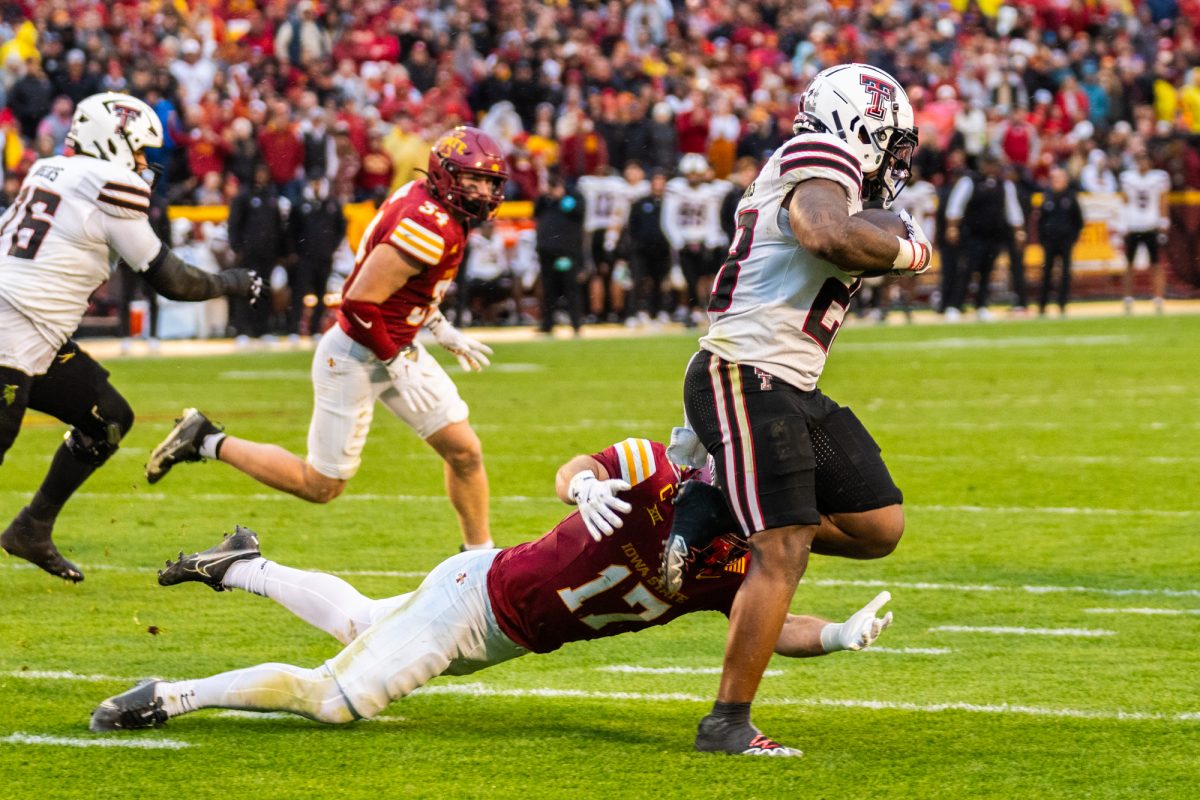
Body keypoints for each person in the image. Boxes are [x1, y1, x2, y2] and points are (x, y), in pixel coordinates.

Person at [90, 437, 894, 746]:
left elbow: (767, 624)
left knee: (365, 623)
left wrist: (834, 636)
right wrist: (580, 487)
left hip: (502, 636)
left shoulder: (733, 563)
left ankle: (241, 564)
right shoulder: (656, 471)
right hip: (477, 598)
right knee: (338, 700)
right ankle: (169, 694)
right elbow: (579, 463)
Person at [664, 64, 929, 756]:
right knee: (783, 546)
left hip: (789, 382)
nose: (896, 159)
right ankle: (726, 722)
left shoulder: (829, 170)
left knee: (878, 525)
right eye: (891, 142)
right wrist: (909, 250)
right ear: (859, 125)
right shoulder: (821, 159)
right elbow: (826, 236)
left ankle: (723, 510)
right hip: (743, 373)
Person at [145, 127, 507, 552]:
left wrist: (437, 324)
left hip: (395, 345)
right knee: (321, 485)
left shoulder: (431, 203)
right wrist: (394, 361)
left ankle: (479, 558)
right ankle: (204, 438)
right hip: (357, 354)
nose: (484, 191)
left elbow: (405, 286)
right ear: (445, 175)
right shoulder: (428, 226)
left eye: (489, 182)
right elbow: (356, 303)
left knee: (465, 451)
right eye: (474, 180)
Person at [0, 92, 261, 581]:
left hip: (32, 327)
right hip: (12, 326)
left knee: (107, 418)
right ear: (112, 140)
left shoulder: (50, 168)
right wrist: (234, 281)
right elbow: (172, 280)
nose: (144, 164)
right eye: (140, 152)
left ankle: (32, 528)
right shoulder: (109, 183)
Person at [943, 153, 1025, 321]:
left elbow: (1013, 209)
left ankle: (981, 305)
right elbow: (956, 206)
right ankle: (955, 305)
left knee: (987, 271)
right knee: (966, 270)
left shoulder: (1004, 184)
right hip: (972, 234)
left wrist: (1018, 230)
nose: (990, 167)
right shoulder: (969, 181)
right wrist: (952, 228)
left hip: (994, 234)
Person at [662, 154, 730, 326]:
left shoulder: (709, 192)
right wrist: (677, 241)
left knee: (705, 278)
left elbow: (712, 219)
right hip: (684, 242)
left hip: (702, 241)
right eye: (689, 173)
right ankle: (690, 311)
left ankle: (704, 309)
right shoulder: (676, 189)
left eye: (695, 173)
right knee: (686, 280)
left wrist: (710, 241)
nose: (692, 177)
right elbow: (668, 219)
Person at [1118, 151, 1171, 315]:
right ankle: (1127, 298)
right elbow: (1124, 201)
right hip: (1133, 225)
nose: (1142, 164)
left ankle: (1158, 297)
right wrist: (1123, 223)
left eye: (1144, 160)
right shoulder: (1127, 178)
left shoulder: (1159, 178)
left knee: (1156, 263)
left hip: (1151, 225)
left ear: (1150, 161)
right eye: (1139, 161)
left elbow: (1163, 200)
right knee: (1129, 264)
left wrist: (1164, 221)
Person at [534, 171, 586, 336]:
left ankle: (576, 324)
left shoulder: (574, 197)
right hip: (547, 252)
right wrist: (543, 194)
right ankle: (547, 324)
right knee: (549, 290)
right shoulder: (546, 201)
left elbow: (578, 211)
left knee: (570, 288)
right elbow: (535, 212)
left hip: (566, 252)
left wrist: (562, 197)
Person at [1036, 167, 1085, 317]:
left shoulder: (1071, 197)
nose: (1056, 182)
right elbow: (1041, 220)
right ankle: (1043, 305)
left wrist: (1072, 237)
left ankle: (1062, 304)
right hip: (1050, 241)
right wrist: (1043, 238)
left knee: (1065, 273)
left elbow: (1078, 221)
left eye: (1059, 179)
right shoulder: (1047, 197)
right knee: (1047, 273)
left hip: (1065, 241)